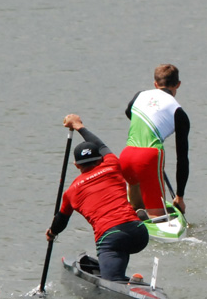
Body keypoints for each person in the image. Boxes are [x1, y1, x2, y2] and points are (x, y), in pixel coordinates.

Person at [46, 114, 150, 282]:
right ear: (100, 158)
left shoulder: (71, 191)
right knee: (120, 248)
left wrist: (52, 232)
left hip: (111, 236)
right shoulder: (112, 164)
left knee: (111, 280)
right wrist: (79, 126)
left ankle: (121, 281)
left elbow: (61, 220)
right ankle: (129, 280)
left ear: (77, 165)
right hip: (138, 232)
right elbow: (100, 144)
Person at [120, 64, 190, 219]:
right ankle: (153, 216)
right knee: (158, 218)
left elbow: (128, 112)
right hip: (149, 157)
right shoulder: (179, 112)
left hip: (127, 155)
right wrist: (180, 197)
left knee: (135, 201)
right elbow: (182, 158)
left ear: (155, 84)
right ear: (178, 84)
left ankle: (137, 212)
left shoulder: (140, 95)